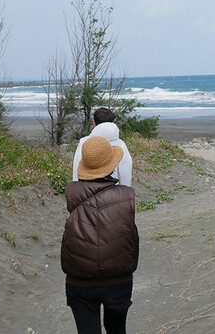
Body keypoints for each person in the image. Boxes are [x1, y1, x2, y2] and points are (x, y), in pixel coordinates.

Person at [61, 135, 138, 334]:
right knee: (117, 329)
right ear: (112, 164)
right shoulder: (126, 195)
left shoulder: (72, 192)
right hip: (118, 278)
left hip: (79, 278)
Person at [72, 107, 132, 187]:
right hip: (111, 189)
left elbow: (77, 166)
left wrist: (76, 187)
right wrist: (125, 190)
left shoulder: (84, 142)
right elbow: (125, 170)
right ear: (113, 123)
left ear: (94, 123)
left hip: (86, 188)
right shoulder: (120, 144)